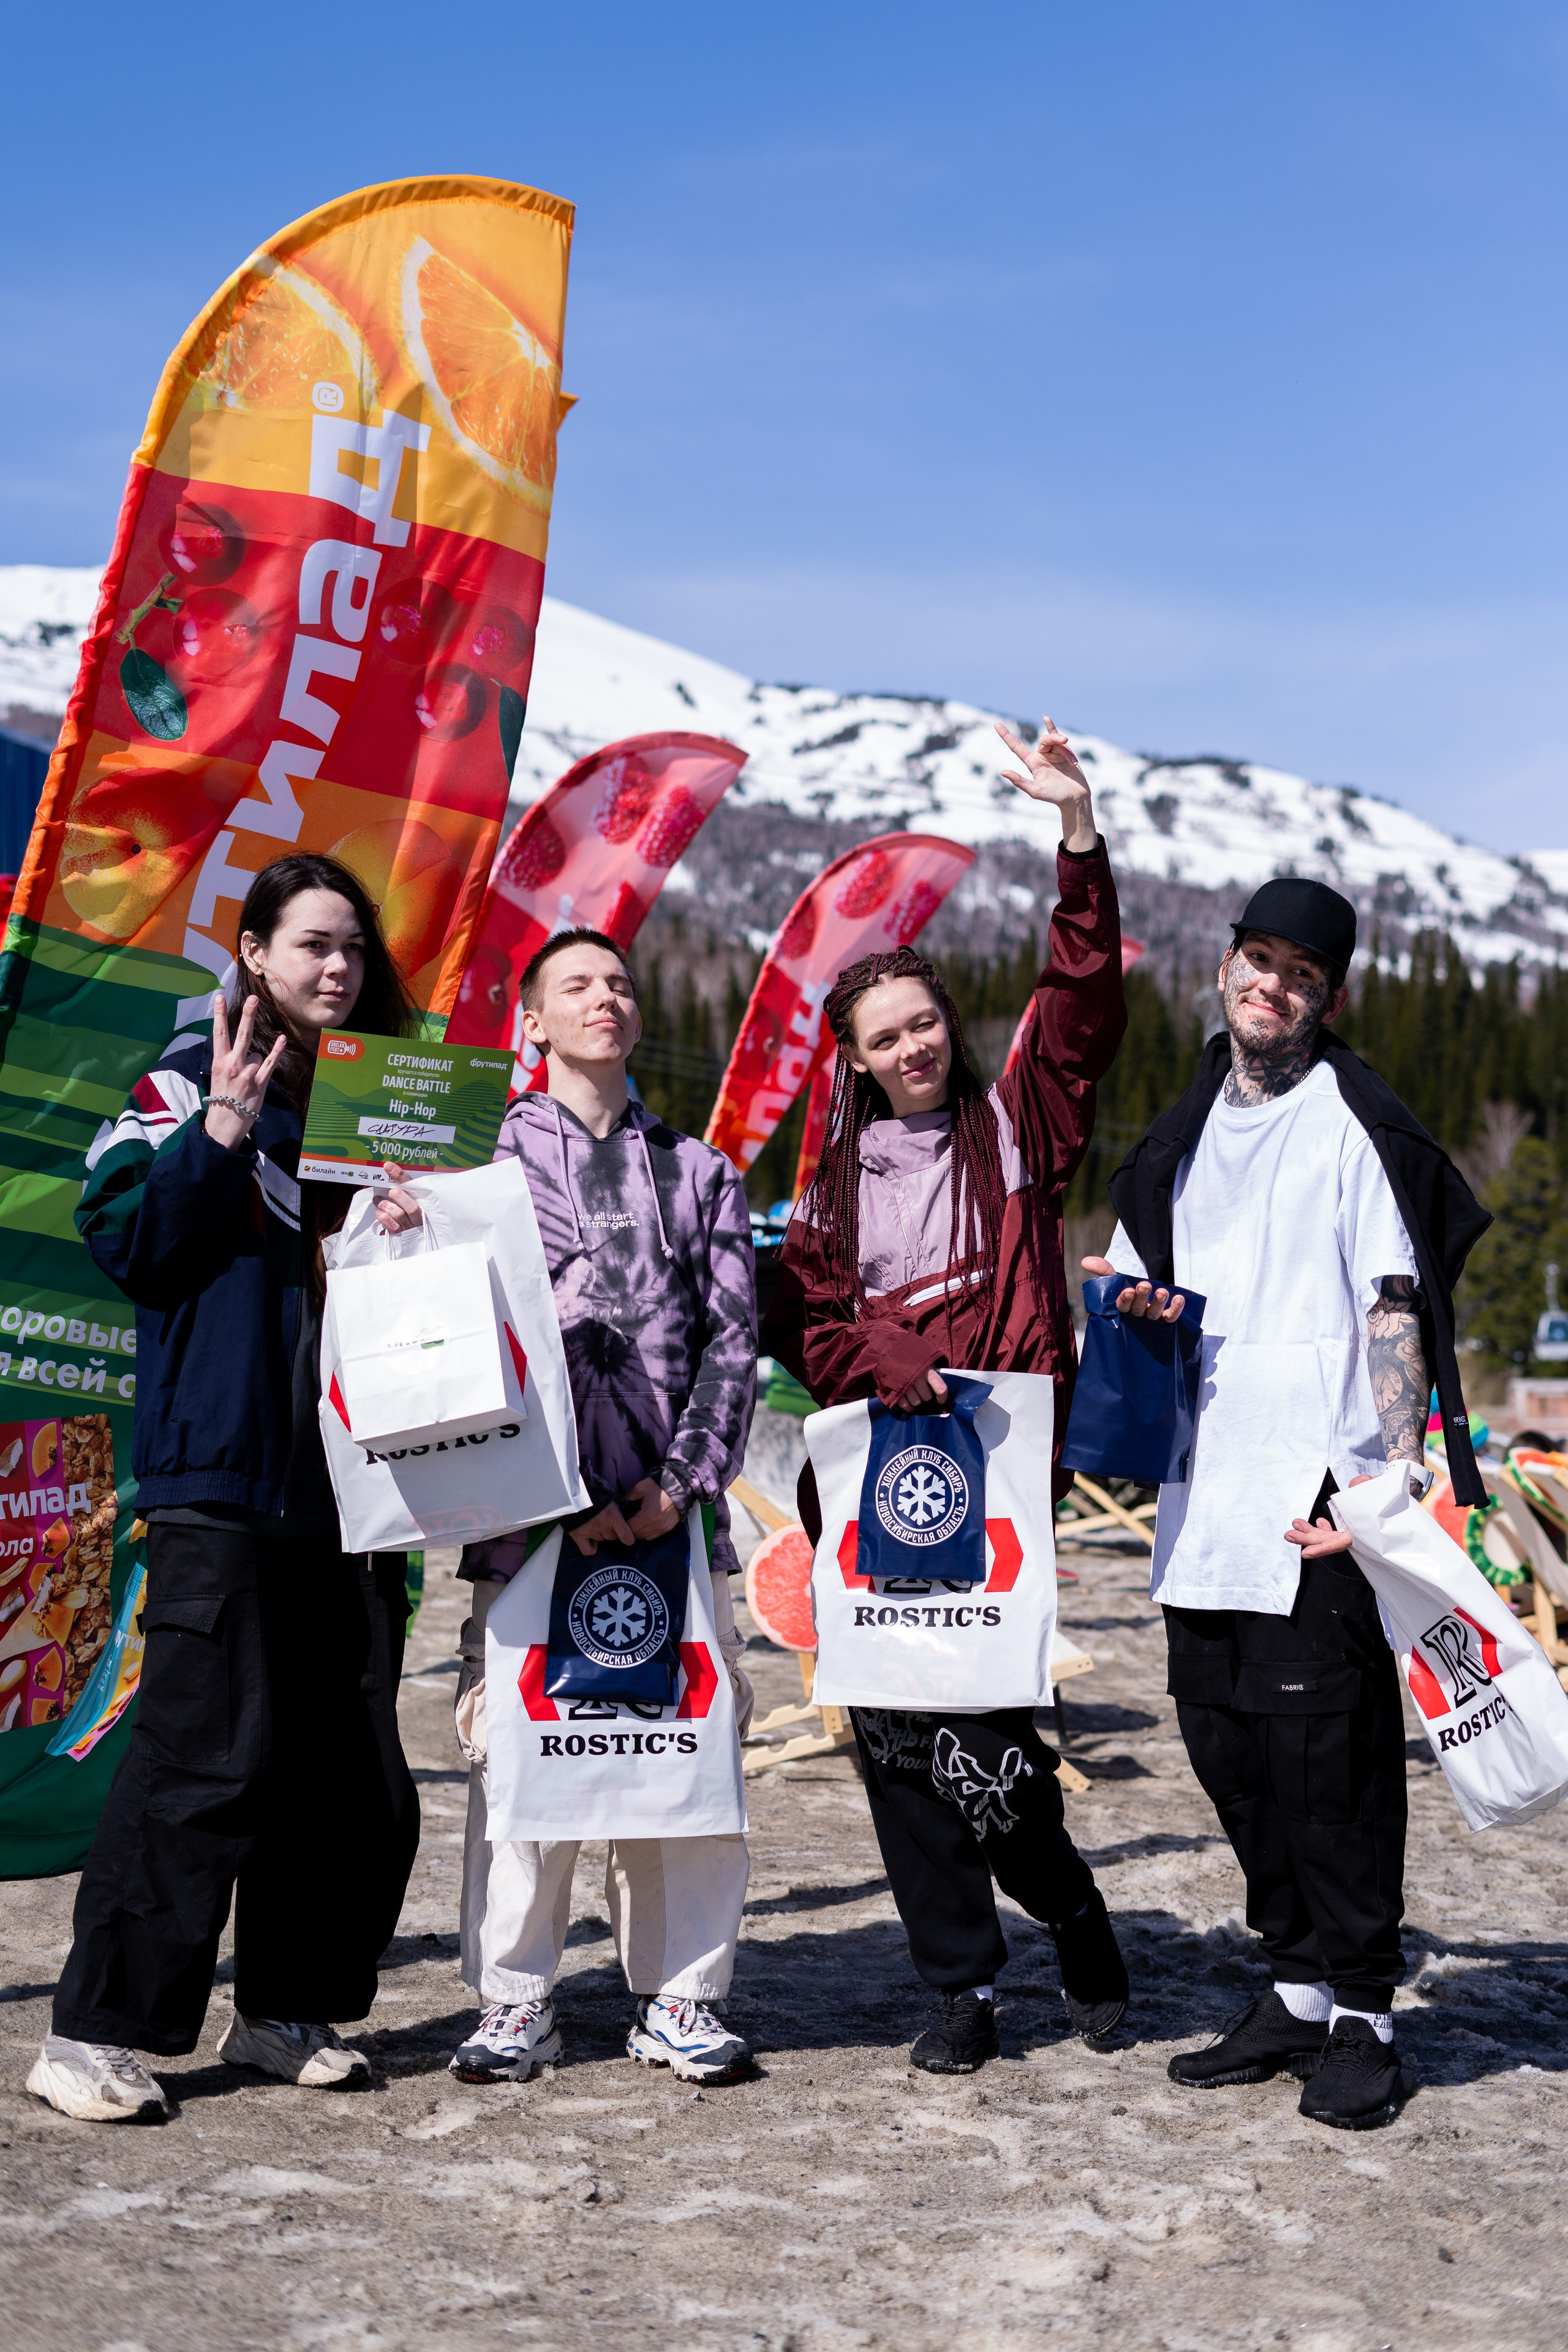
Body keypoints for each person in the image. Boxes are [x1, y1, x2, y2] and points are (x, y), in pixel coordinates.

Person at [27, 853, 423, 2124]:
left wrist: (426, 1228)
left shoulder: (383, 1107)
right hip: (222, 1474)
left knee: (340, 1775)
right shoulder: (182, 1075)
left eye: (352, 951)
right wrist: (217, 1132)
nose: (335, 969)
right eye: (312, 944)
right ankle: (93, 2035)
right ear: (252, 951)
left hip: (358, 1488)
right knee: (204, 1758)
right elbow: (129, 1241)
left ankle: (282, 2012)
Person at [763, 717, 1131, 2075]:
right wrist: (884, 1354)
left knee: (984, 1731)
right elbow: (806, 1321)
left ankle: (1069, 1906)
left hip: (994, 1487)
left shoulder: (1016, 1129)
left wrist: (1074, 836)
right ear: (853, 1059)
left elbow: (1083, 1005)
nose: (913, 1046)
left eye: (924, 1024)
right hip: (873, 1484)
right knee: (896, 1746)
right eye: (885, 1037)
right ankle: (961, 1988)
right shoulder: (834, 1191)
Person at [1095, 876, 1490, 2130]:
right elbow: (1129, 1279)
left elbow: (1392, 1302)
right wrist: (1132, 1305)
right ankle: (1295, 1988)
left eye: (1299, 974)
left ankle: (1366, 2009)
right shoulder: (1184, 1128)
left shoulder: (1345, 1124)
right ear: (1225, 967)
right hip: (1198, 1492)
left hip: (1310, 1492)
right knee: (1226, 1749)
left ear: (1329, 995)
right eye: (1254, 962)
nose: (1269, 987)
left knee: (1332, 1765)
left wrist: (1382, 1486)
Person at [440, 927, 759, 2088]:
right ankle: (516, 1998)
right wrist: (552, 1491)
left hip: (674, 1522)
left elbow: (734, 1345)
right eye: (575, 984)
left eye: (620, 982)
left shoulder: (701, 1170)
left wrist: (678, 1486)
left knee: (683, 1757)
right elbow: (462, 1336)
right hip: (526, 1519)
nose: (605, 998)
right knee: (523, 1759)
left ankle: (682, 1998)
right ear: (531, 1020)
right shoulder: (476, 1170)